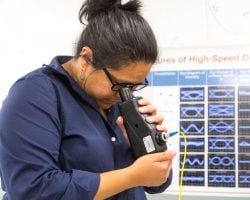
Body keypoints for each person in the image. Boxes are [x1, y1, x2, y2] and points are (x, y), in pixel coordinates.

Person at [0, 0, 176, 199]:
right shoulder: (34, 94)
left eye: (136, 86)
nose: (125, 95)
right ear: (86, 60)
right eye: (119, 85)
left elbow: (156, 183)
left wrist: (147, 146)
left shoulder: (119, 100)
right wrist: (133, 176)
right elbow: (34, 190)